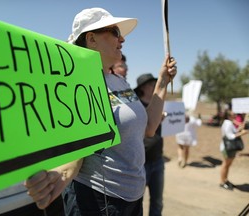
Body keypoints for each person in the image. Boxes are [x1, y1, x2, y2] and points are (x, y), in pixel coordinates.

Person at [24, 7, 177, 215]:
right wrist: (61, 174)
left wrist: (162, 82)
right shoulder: (76, 85)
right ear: (91, 39)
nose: (122, 39)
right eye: (114, 32)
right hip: (99, 202)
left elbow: (149, 128)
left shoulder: (119, 81)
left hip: (133, 198)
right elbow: (78, 147)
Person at [134, 73, 166, 216]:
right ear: (144, 87)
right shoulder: (135, 106)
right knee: (136, 201)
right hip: (141, 161)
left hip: (158, 159)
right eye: (152, 84)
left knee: (157, 201)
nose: (155, 87)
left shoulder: (158, 105)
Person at [219, 109, 248, 190]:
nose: (235, 115)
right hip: (227, 148)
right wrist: (242, 133)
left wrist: (240, 129)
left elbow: (234, 132)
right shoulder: (227, 123)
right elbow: (230, 136)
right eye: (233, 114)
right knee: (225, 165)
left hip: (230, 148)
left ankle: (225, 180)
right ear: (229, 115)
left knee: (228, 165)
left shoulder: (229, 123)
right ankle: (222, 182)